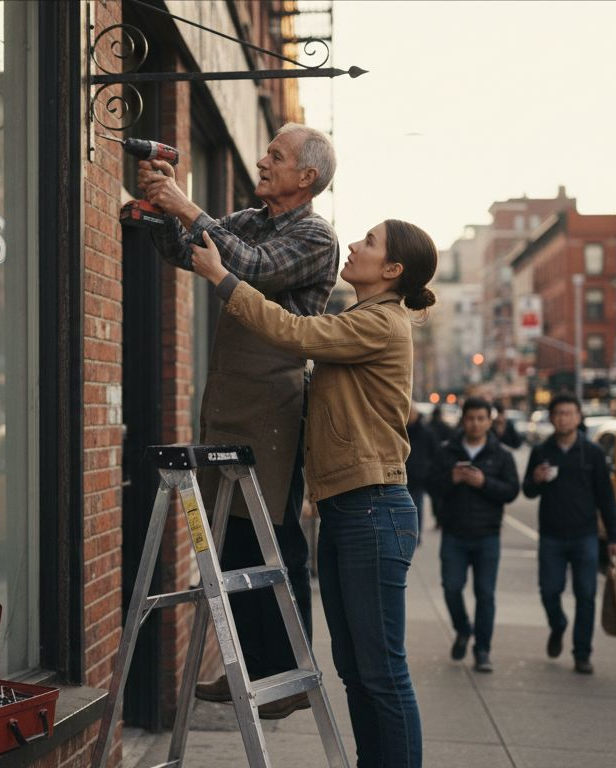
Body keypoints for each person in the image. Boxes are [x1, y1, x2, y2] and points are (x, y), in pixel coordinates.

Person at [189, 217, 437, 768]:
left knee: (381, 672)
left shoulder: (383, 324)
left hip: (373, 510)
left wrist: (223, 276)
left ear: (392, 270)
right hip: (348, 508)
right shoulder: (361, 317)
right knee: (354, 669)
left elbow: (296, 334)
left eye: (369, 243)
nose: (354, 244)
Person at [140, 123, 339, 719]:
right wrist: (156, 205)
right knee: (228, 545)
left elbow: (251, 268)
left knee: (273, 543)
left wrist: (186, 204)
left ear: (307, 177)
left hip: (275, 407)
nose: (262, 160)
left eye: (275, 156)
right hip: (229, 398)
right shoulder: (251, 219)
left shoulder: (316, 236)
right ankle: (246, 670)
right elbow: (185, 250)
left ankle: (288, 677)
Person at [522, 393, 616, 675]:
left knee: (586, 595)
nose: (564, 418)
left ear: (578, 417)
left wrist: (614, 537)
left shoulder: (592, 453)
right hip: (551, 535)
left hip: (584, 535)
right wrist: (536, 479)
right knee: (549, 591)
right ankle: (558, 625)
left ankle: (582, 653)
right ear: (552, 418)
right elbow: (528, 490)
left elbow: (606, 497)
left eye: (569, 413)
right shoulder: (541, 451)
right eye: (559, 413)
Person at [428, 397, 519, 673]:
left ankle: (483, 650)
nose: (475, 423)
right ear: (463, 420)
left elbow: (512, 491)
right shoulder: (447, 451)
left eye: (481, 418)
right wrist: (452, 479)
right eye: (471, 418)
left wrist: (484, 483)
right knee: (451, 587)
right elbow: (431, 485)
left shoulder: (501, 454)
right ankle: (463, 629)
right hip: (454, 533)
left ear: (489, 422)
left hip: (487, 535)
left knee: (485, 594)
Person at [405, 402, 437, 543]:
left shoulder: (426, 431)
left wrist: (427, 469)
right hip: (402, 476)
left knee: (417, 507)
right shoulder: (400, 431)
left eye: (411, 413)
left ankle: (415, 536)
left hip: (418, 477)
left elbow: (435, 452)